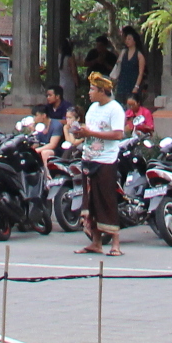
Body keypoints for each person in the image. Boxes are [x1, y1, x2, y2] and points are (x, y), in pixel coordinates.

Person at [67, 71, 126, 257]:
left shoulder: (115, 109)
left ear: (102, 91)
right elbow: (90, 130)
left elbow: (118, 134)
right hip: (89, 158)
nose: (89, 93)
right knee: (91, 202)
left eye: (92, 89)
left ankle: (115, 243)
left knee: (107, 200)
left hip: (106, 160)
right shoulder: (92, 108)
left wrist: (90, 134)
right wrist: (80, 132)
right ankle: (96, 242)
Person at [112, 27, 145, 107]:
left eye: (129, 39)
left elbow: (140, 73)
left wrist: (136, 86)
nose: (127, 41)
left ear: (134, 41)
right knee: (120, 104)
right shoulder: (123, 52)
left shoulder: (139, 55)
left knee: (131, 105)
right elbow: (118, 65)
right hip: (122, 82)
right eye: (126, 39)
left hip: (133, 82)